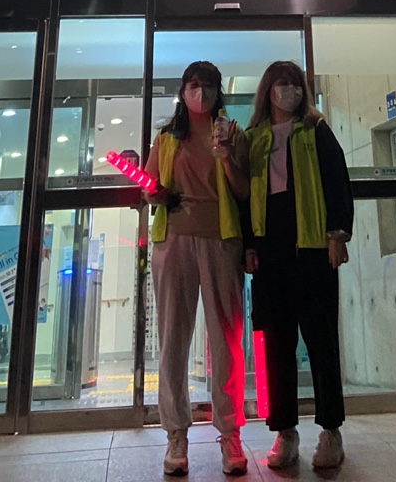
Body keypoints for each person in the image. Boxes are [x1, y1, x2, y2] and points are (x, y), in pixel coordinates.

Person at [245, 61, 353, 471]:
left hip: (312, 249)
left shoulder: (316, 130)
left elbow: (337, 182)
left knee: (322, 340)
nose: (287, 90)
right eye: (280, 83)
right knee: (277, 345)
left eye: (294, 83)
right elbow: (244, 197)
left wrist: (337, 234)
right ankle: (285, 432)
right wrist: (249, 246)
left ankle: (331, 431)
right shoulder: (254, 138)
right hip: (270, 252)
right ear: (267, 90)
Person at [145, 60, 251, 477]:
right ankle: (176, 434)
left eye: (208, 85)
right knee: (173, 337)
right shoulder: (166, 138)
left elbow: (243, 192)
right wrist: (157, 193)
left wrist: (226, 159)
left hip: (222, 240)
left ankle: (230, 433)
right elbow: (149, 189)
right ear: (182, 90)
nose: (200, 92)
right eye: (193, 84)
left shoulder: (233, 133)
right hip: (173, 242)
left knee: (227, 339)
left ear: (218, 90)